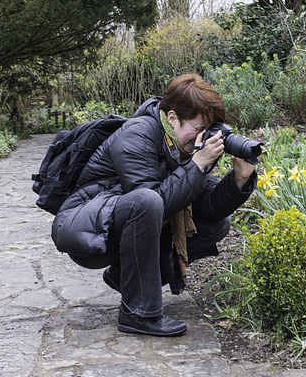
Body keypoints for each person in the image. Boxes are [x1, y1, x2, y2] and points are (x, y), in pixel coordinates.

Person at [51, 73, 257, 337]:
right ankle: (138, 313)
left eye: (208, 129)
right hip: (91, 230)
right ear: (172, 118)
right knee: (147, 201)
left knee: (216, 225)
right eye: (197, 127)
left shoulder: (184, 146)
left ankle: (124, 276)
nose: (202, 136)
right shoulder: (139, 133)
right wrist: (196, 165)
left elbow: (207, 209)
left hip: (126, 224)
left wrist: (238, 179)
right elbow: (151, 202)